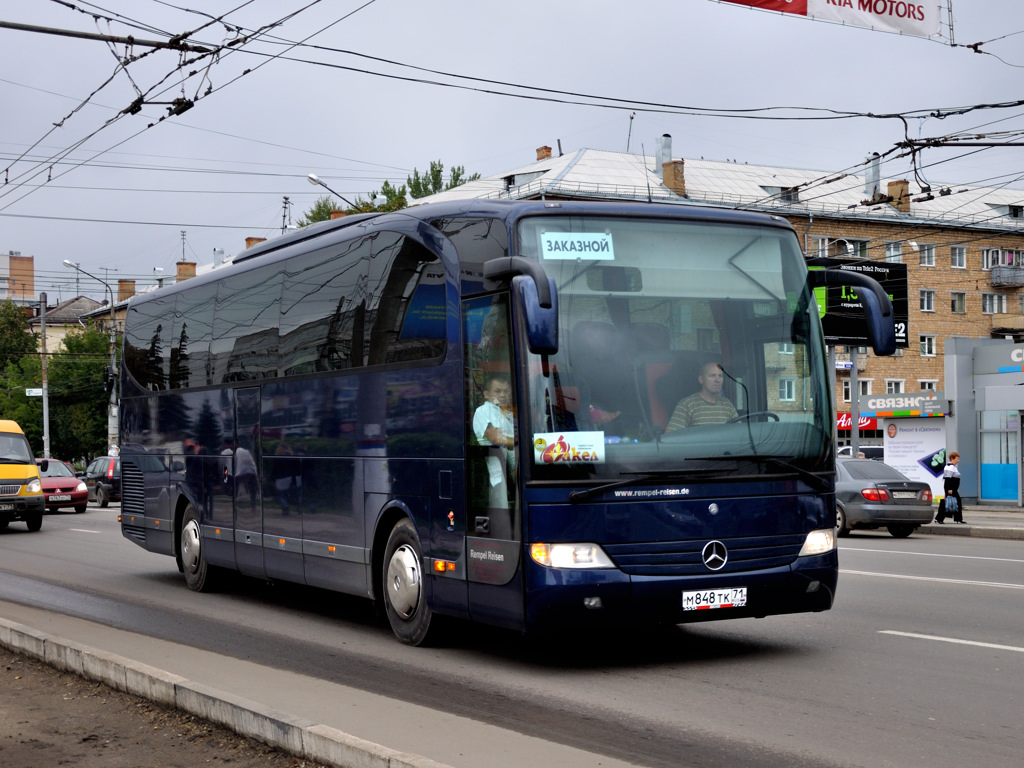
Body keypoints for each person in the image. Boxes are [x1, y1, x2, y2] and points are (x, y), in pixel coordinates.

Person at [472, 373, 515, 538]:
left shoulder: (505, 414)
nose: (503, 395)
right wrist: (515, 440)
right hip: (491, 468)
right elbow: (494, 437)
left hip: (505, 465)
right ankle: (501, 537)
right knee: (500, 505)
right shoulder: (482, 411)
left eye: (505, 391)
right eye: (498, 391)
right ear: (486, 394)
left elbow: (511, 446)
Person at [666, 361, 738, 431]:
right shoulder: (687, 404)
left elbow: (739, 433)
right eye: (712, 375)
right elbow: (671, 437)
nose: (718, 380)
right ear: (701, 379)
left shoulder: (727, 404)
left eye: (720, 376)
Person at [935, 451, 964, 524]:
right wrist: (950, 489)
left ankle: (958, 519)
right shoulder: (950, 467)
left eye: (958, 458)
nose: (958, 460)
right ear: (952, 459)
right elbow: (948, 479)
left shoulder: (952, 467)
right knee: (948, 503)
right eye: (957, 458)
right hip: (951, 489)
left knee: (954, 502)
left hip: (952, 488)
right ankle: (940, 518)